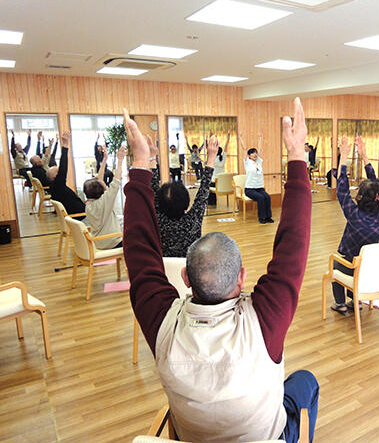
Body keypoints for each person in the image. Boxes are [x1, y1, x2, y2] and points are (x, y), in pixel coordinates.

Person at [122, 98, 318, 443]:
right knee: (306, 384)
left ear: (184, 279)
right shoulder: (264, 323)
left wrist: (141, 164)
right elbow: (294, 246)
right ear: (242, 277)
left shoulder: (164, 327)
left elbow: (139, 251)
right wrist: (297, 154)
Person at [329, 135, 379, 315]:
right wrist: (365, 156)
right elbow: (375, 185)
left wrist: (343, 157)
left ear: (359, 197)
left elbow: (342, 189)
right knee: (356, 265)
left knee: (337, 265)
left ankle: (340, 304)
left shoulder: (354, 215)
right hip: (370, 268)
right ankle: (355, 301)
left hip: (353, 266)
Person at [150, 135, 216, 257]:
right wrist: (211, 157)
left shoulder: (158, 220)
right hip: (190, 272)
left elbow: (153, 185)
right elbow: (204, 189)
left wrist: (152, 157)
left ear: (158, 203)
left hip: (163, 272)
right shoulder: (192, 220)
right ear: (186, 202)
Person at [83, 145, 126, 249]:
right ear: (101, 191)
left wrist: (105, 158)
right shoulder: (104, 202)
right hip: (112, 242)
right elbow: (116, 182)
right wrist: (120, 161)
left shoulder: (88, 204)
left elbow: (99, 179)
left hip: (99, 242)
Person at [47, 132, 86, 218]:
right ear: (54, 177)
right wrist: (65, 147)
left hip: (79, 214)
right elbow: (63, 169)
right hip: (82, 217)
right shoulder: (58, 186)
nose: (61, 173)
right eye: (58, 172)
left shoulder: (53, 188)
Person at [240, 133, 273, 223]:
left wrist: (260, 138)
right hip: (250, 189)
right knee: (261, 198)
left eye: (255, 153)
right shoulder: (247, 162)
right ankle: (261, 218)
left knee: (267, 197)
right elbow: (244, 150)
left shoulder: (259, 161)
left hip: (260, 187)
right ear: (249, 155)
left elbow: (260, 149)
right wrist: (241, 138)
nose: (255, 154)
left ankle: (268, 217)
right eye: (252, 153)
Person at [208, 130, 231, 206]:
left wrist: (211, 137)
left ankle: (212, 202)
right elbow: (226, 145)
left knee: (207, 185)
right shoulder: (223, 157)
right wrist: (228, 136)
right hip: (222, 182)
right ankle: (213, 202)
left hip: (215, 181)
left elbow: (209, 148)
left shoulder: (212, 158)